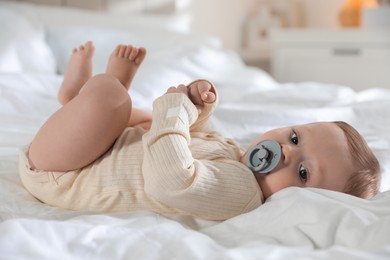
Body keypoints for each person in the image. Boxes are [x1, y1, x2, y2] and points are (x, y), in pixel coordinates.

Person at [19, 42, 381, 221]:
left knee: (113, 100)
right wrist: (197, 106)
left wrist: (175, 111)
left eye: (303, 172)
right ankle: (78, 101)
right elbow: (192, 139)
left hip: (62, 170)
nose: (285, 151)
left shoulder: (242, 193)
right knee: (147, 122)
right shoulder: (238, 157)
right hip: (100, 149)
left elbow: (171, 179)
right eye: (295, 137)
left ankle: (95, 95)